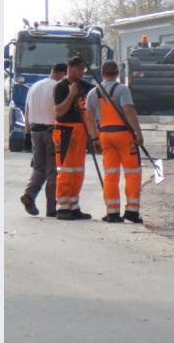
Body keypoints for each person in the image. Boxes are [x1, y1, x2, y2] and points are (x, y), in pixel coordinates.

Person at [84, 61, 145, 223]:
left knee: (110, 174)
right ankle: (132, 211)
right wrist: (138, 133)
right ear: (117, 73)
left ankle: (112, 212)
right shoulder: (122, 90)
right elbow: (128, 111)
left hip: (105, 135)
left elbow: (89, 117)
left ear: (103, 73)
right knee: (132, 173)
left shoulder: (92, 93)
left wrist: (94, 138)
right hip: (124, 135)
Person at [20, 63, 67, 217]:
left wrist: (27, 133)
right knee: (53, 170)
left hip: (35, 131)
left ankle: (29, 195)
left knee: (39, 168)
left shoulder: (34, 87)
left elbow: (27, 112)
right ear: (62, 73)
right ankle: (51, 208)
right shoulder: (58, 87)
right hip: (51, 131)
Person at [53, 55, 95, 220]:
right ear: (70, 69)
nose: (82, 73)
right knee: (65, 171)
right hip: (65, 131)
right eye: (79, 69)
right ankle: (63, 207)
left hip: (81, 131)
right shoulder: (60, 87)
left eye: (84, 69)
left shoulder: (86, 87)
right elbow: (59, 111)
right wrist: (71, 95)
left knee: (78, 171)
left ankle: (73, 205)